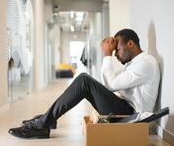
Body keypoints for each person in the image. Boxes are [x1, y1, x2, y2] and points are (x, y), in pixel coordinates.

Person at [8, 29, 160, 139]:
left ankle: (43, 124)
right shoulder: (134, 63)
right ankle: (47, 119)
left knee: (83, 80)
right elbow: (108, 83)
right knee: (85, 82)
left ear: (131, 44)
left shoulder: (145, 63)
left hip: (132, 117)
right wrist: (109, 56)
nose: (116, 55)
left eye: (118, 50)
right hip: (124, 108)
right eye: (114, 53)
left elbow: (111, 85)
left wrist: (107, 55)